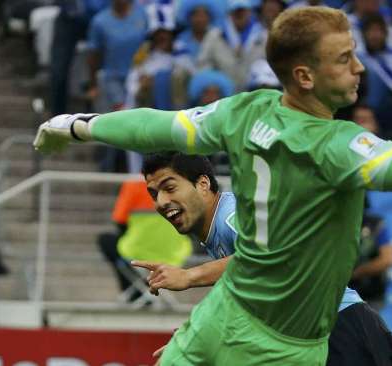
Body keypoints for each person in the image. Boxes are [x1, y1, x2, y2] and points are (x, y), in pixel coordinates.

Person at [33, 6, 386, 364]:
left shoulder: (244, 112)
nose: (358, 66)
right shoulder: (339, 144)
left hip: (253, 320)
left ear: (203, 184)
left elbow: (153, 126)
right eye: (345, 59)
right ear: (304, 77)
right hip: (285, 340)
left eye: (169, 187)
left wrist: (79, 125)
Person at [132, 151, 392, 365]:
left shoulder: (231, 216)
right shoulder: (216, 235)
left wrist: (189, 275)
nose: (161, 202)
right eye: (154, 194)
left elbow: (271, 255)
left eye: (169, 187)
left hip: (341, 328)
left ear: (203, 184)